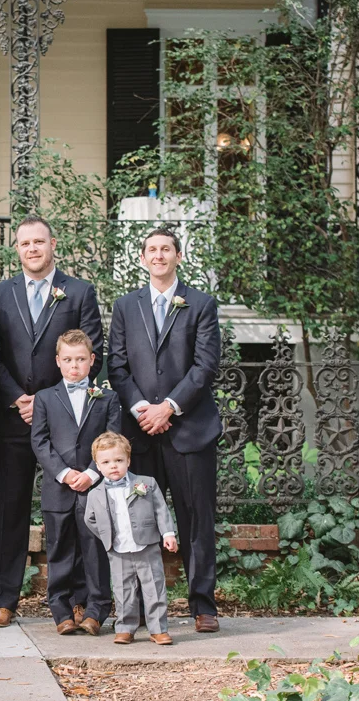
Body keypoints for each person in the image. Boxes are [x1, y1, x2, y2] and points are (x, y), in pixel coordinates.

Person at [0, 215, 104, 628]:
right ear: (17, 249)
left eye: (39, 241)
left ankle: (77, 600)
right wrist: (18, 398)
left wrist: (48, 402)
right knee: (10, 509)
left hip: (68, 422)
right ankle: (5, 599)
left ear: (53, 244)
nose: (32, 249)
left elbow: (92, 354)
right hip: (14, 416)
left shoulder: (79, 292)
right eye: (25, 243)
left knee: (74, 510)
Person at [107, 228, 221, 633]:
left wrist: (168, 407)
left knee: (196, 520)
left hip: (189, 430)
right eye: (152, 250)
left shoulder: (201, 304)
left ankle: (203, 606)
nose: (159, 255)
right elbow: (116, 364)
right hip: (140, 433)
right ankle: (138, 609)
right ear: (142, 258)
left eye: (166, 249)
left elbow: (206, 365)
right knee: (138, 521)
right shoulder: (126, 306)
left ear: (178, 256)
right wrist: (143, 409)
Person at [30, 330, 121, 636]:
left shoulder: (107, 398)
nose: (74, 366)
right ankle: (62, 611)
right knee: (59, 551)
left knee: (95, 551)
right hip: (59, 488)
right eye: (68, 360)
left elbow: (113, 440)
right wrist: (64, 473)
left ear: (92, 360)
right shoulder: (45, 398)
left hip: (95, 488)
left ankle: (96, 610)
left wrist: (93, 473)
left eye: (80, 359)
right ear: (58, 361)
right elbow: (40, 441)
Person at [83, 432, 178, 645]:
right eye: (106, 462)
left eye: (119, 460)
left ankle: (158, 629)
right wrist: (107, 536)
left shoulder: (146, 483)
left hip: (147, 545)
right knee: (123, 590)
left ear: (128, 460)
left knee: (154, 588)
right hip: (118, 549)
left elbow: (161, 510)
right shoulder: (95, 494)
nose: (113, 466)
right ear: (98, 466)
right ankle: (125, 628)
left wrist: (168, 534)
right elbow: (90, 519)